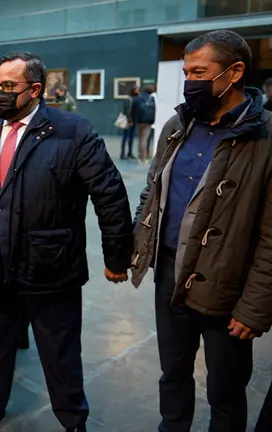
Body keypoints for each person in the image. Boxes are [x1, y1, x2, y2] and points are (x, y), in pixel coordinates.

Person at [0, 52, 133, 432]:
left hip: (51, 269)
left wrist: (117, 257)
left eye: (9, 87)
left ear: (35, 90)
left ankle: (72, 421)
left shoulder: (72, 131)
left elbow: (110, 194)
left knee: (61, 354)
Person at [131, 30, 272, 432]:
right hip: (170, 275)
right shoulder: (177, 124)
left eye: (199, 71)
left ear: (235, 72)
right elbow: (153, 191)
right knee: (172, 375)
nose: (189, 80)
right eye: (185, 71)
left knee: (225, 392)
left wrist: (255, 307)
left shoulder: (266, 136)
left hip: (229, 286)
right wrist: (137, 246)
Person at [130, 84, 157, 162]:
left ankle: (140, 155)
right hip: (148, 122)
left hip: (139, 121)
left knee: (140, 139)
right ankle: (143, 157)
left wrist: (133, 119)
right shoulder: (152, 99)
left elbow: (132, 110)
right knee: (144, 139)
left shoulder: (137, 99)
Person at [120, 86, 139, 159]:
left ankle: (129, 152)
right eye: (137, 90)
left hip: (133, 121)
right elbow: (127, 111)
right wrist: (130, 120)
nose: (138, 92)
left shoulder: (134, 99)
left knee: (131, 137)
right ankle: (123, 153)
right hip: (129, 121)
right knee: (126, 137)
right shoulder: (129, 99)